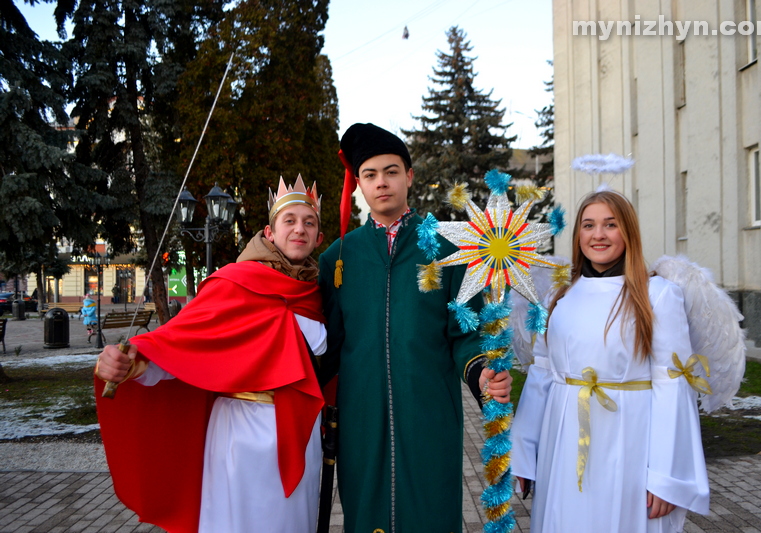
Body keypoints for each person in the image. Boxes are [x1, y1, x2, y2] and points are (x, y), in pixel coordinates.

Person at [95, 175, 326, 533]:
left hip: (301, 436)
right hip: (240, 436)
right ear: (269, 232)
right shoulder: (235, 282)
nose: (300, 229)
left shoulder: (316, 295)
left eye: (308, 223)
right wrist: (132, 361)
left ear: (319, 237)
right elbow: (180, 345)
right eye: (290, 221)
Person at [318, 123, 512, 532]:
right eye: (369, 175)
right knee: (365, 513)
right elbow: (323, 345)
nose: (381, 183)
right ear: (358, 185)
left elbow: (467, 329)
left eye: (390, 171)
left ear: (409, 176)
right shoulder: (338, 258)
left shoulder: (446, 249)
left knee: (430, 513)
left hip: (429, 416)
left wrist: (481, 372)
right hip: (361, 420)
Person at [510, 189, 710, 533]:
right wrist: (525, 457)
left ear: (628, 232)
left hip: (630, 439)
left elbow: (673, 384)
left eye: (610, 225)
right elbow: (542, 375)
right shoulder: (557, 296)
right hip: (564, 439)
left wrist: (665, 475)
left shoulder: (657, 295)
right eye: (588, 225)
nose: (598, 235)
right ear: (578, 235)